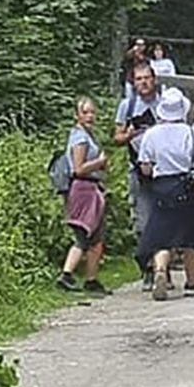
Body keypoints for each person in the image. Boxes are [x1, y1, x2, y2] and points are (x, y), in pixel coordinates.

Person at [135, 88, 194, 301]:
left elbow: (144, 167)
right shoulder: (193, 133)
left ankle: (161, 270)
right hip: (189, 188)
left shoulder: (151, 134)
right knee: (193, 237)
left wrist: (158, 171)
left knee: (163, 236)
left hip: (163, 188)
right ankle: (192, 282)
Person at [114, 63, 163, 290]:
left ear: (154, 79)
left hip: (164, 171)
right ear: (133, 82)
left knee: (164, 221)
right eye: (139, 79)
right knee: (143, 221)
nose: (143, 82)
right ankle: (148, 269)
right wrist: (133, 132)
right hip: (138, 171)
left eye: (147, 78)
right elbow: (117, 138)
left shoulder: (165, 103)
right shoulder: (128, 105)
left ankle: (162, 268)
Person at [57, 97, 111, 295]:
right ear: (76, 115)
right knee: (83, 234)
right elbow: (78, 168)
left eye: (92, 112)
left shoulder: (88, 135)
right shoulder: (79, 138)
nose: (89, 116)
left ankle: (91, 279)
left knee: (96, 236)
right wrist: (99, 162)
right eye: (85, 112)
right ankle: (67, 274)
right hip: (82, 189)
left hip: (92, 188)